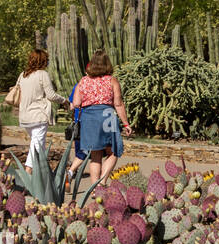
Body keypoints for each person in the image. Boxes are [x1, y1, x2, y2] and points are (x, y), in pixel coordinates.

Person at [70, 50, 132, 185]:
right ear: (107, 63)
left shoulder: (83, 81)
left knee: (95, 155)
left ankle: (93, 188)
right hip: (107, 117)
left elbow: (76, 103)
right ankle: (102, 181)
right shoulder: (112, 80)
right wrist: (126, 123)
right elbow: (118, 104)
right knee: (113, 151)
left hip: (89, 118)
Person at [16, 49, 65, 173]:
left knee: (38, 145)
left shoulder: (23, 75)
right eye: (46, 60)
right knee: (37, 146)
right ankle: (28, 172)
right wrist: (64, 101)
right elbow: (51, 95)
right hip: (38, 115)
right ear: (43, 61)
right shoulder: (42, 74)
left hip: (25, 116)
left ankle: (42, 174)